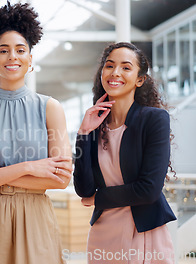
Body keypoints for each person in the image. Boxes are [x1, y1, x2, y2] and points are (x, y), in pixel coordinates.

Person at [0, 3, 72, 264]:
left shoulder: (50, 108)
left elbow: (60, 179)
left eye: (21, 50)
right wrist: (29, 167)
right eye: (4, 50)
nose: (12, 57)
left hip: (34, 218)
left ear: (31, 59)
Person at [73, 42, 176, 263]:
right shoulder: (94, 124)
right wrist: (83, 134)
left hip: (144, 231)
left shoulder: (154, 119)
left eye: (126, 67)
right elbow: (84, 189)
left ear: (140, 80)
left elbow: (149, 189)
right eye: (109, 66)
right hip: (103, 234)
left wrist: (98, 198)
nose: (115, 73)